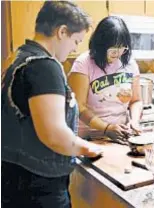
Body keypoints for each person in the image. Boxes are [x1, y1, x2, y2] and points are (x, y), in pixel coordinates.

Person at [1, 2, 105, 207]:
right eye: (76, 41)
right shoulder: (44, 67)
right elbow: (54, 134)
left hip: (14, 179)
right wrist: (89, 148)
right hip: (38, 188)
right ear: (62, 32)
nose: (75, 47)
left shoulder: (19, 57)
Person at [68, 16, 142, 143]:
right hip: (89, 138)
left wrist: (134, 122)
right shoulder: (83, 63)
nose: (118, 54)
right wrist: (106, 128)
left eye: (122, 49)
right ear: (101, 46)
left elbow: (136, 100)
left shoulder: (130, 64)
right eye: (113, 50)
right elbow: (78, 106)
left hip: (120, 136)